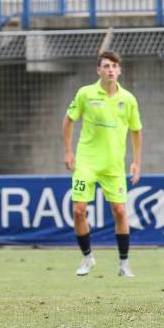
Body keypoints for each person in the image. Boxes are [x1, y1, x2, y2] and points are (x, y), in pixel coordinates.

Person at [62, 51, 142, 277]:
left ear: (119, 70)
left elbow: (136, 131)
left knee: (119, 211)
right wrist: (68, 152)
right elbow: (68, 121)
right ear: (98, 70)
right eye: (106, 66)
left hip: (113, 166)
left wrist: (136, 162)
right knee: (78, 211)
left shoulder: (128, 99)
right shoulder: (86, 94)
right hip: (85, 163)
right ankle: (87, 258)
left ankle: (124, 264)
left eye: (114, 66)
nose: (110, 70)